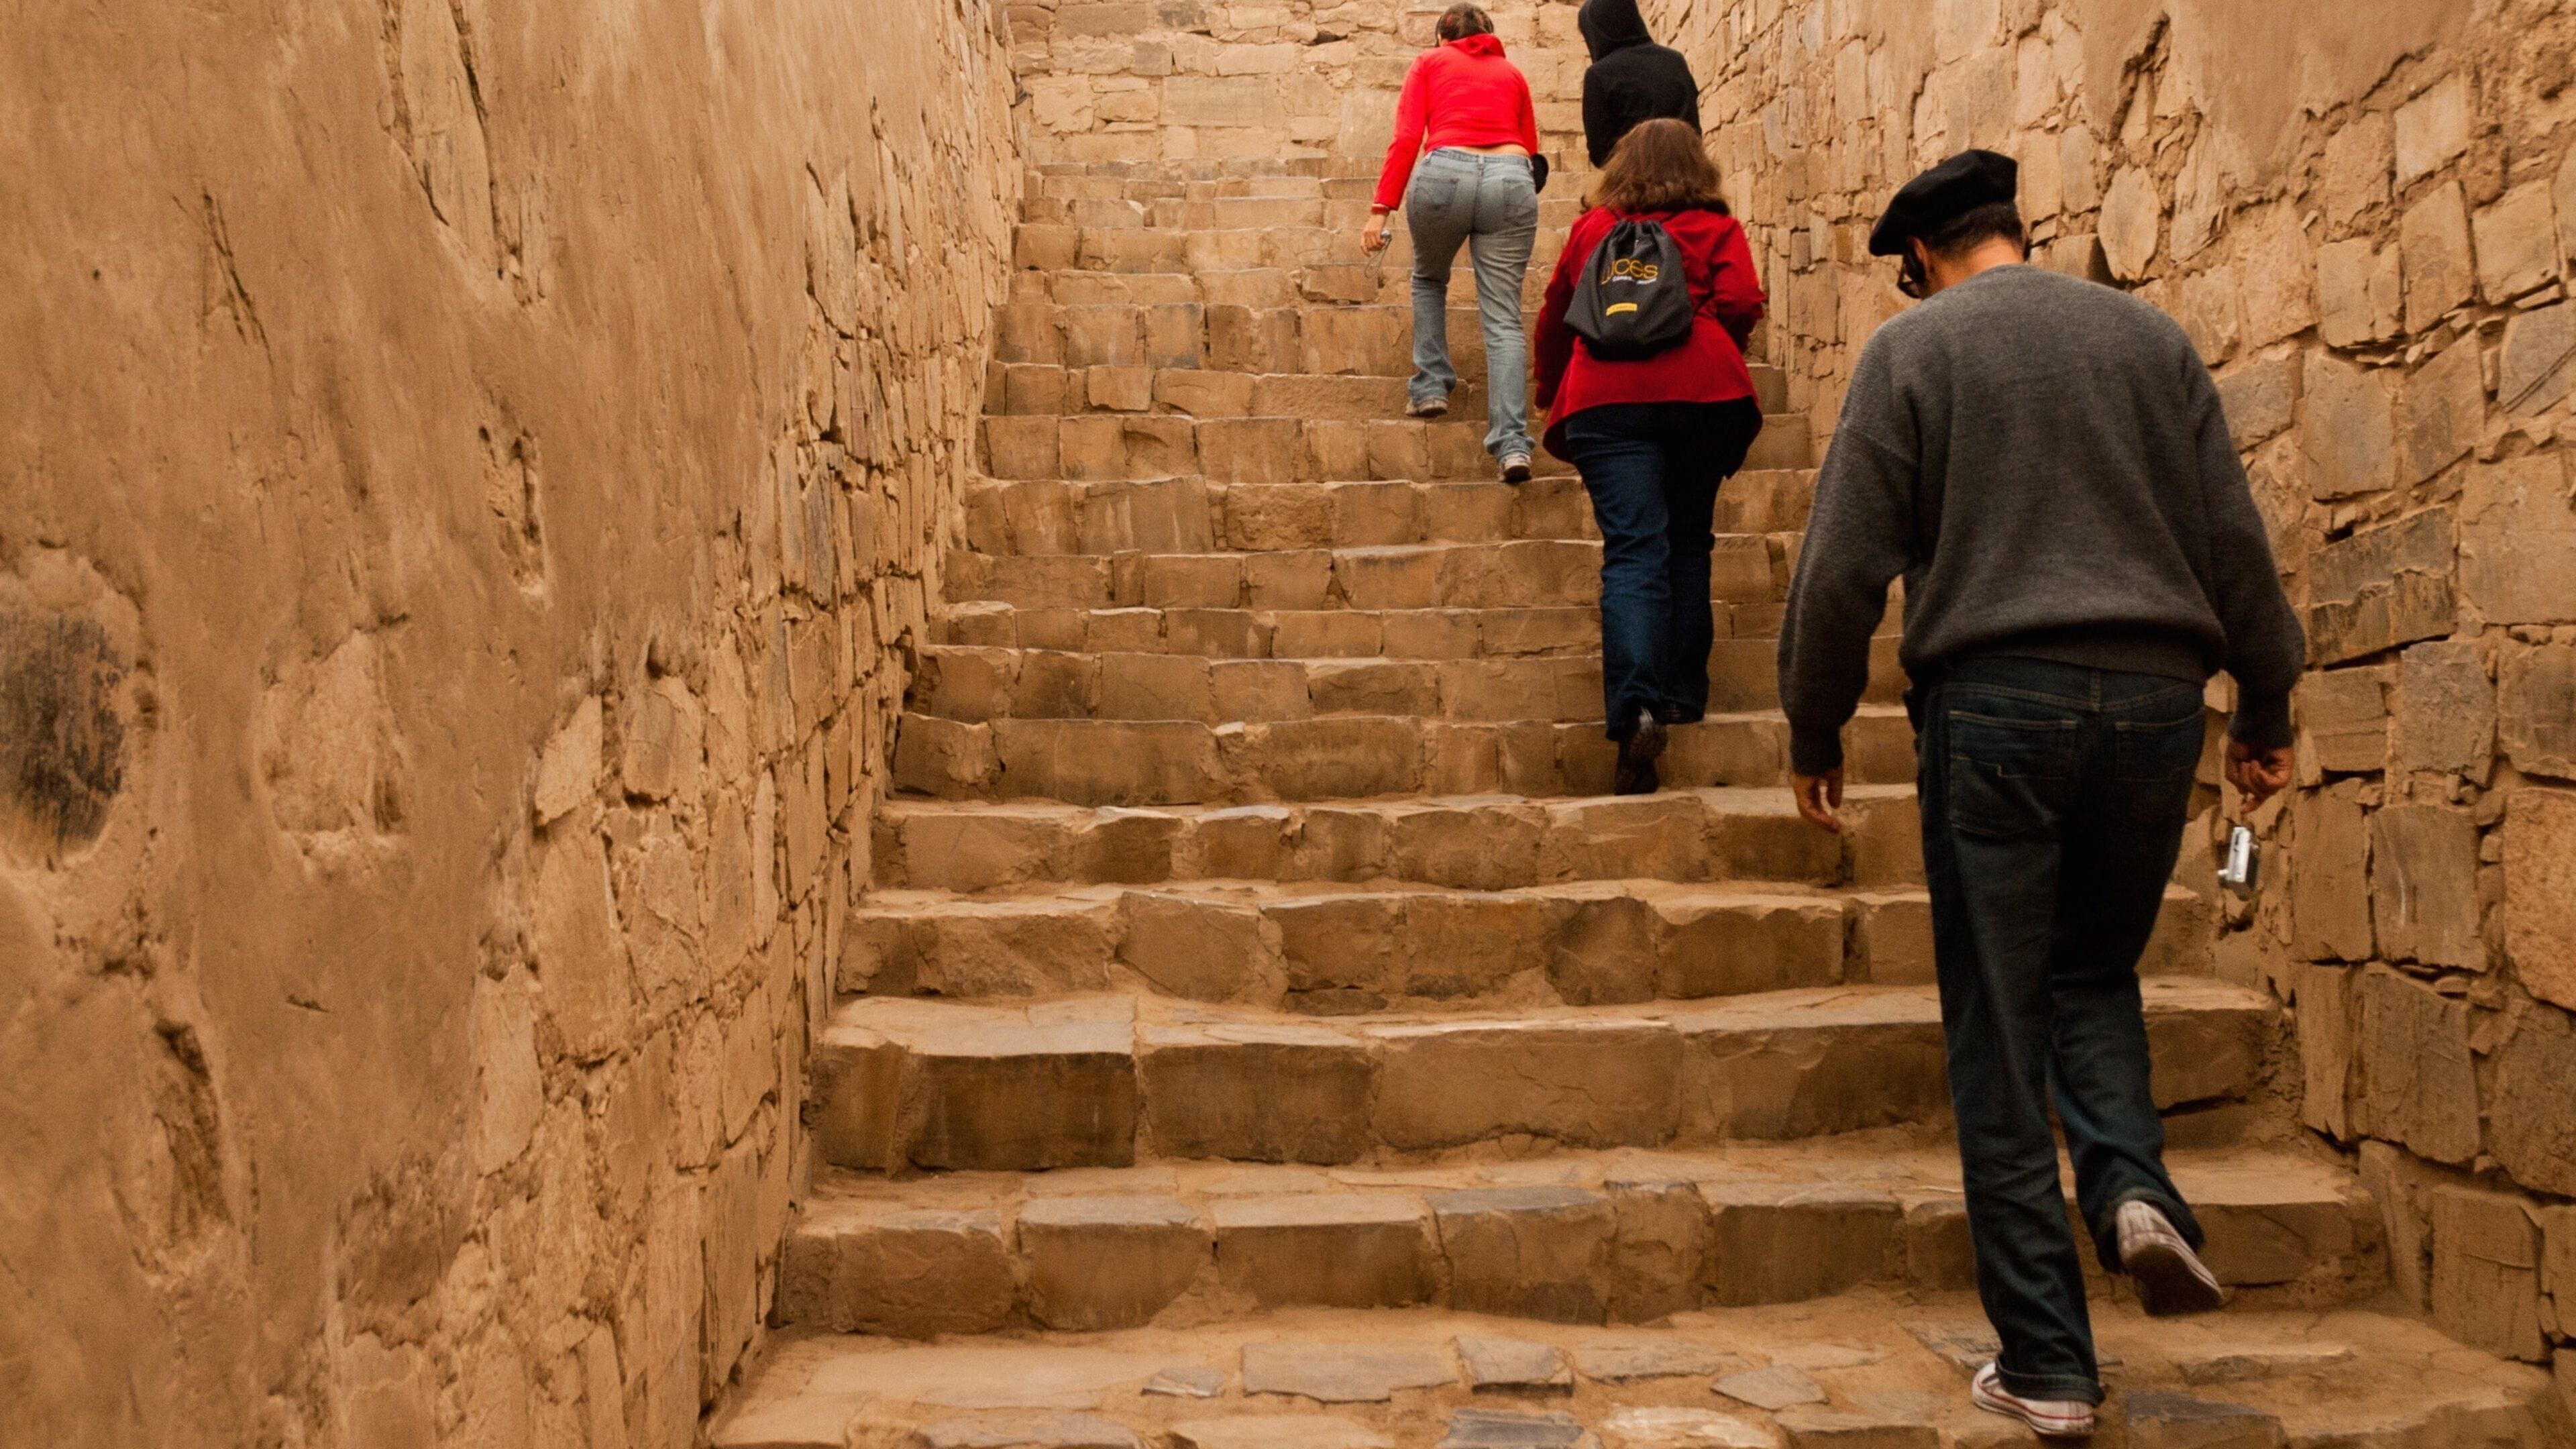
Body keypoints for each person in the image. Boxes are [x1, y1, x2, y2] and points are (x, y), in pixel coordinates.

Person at [1775, 149, 2304, 1439]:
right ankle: (2132, 1195)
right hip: (2155, 703)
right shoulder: (2150, 342)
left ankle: (2051, 1364)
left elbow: (1844, 562)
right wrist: (2268, 707)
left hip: (1996, 705)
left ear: (1920, 263)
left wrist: (1815, 720)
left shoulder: (1914, 356)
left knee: (2000, 1030)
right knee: (2093, 972)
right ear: (2020, 229)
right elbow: (2234, 542)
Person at [1533, 119, 1767, 794]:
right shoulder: (1715, 227)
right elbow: (1743, 301)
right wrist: (1716, 342)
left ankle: (1634, 708)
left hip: (1605, 397)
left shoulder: (1590, 231)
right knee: (1689, 539)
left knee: (1634, 549)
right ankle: (1681, 696)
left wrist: (1551, 387)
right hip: (1702, 394)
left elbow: (1555, 313)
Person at [1363, 3, 1542, 482]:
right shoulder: (1512, 73)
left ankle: (1430, 388)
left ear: (1443, 37)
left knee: (1428, 276)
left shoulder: (1429, 62)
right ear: (1488, 35)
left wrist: (1381, 209)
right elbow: (1533, 149)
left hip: (1445, 171)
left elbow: (1405, 138)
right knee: (1504, 318)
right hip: (1510, 175)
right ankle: (1512, 447)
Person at [1576, 0, 1701, 168]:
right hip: (1689, 177)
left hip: (1633, 185)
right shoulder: (1675, 61)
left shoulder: (1599, 74)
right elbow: (1694, 131)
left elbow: (1601, 153)